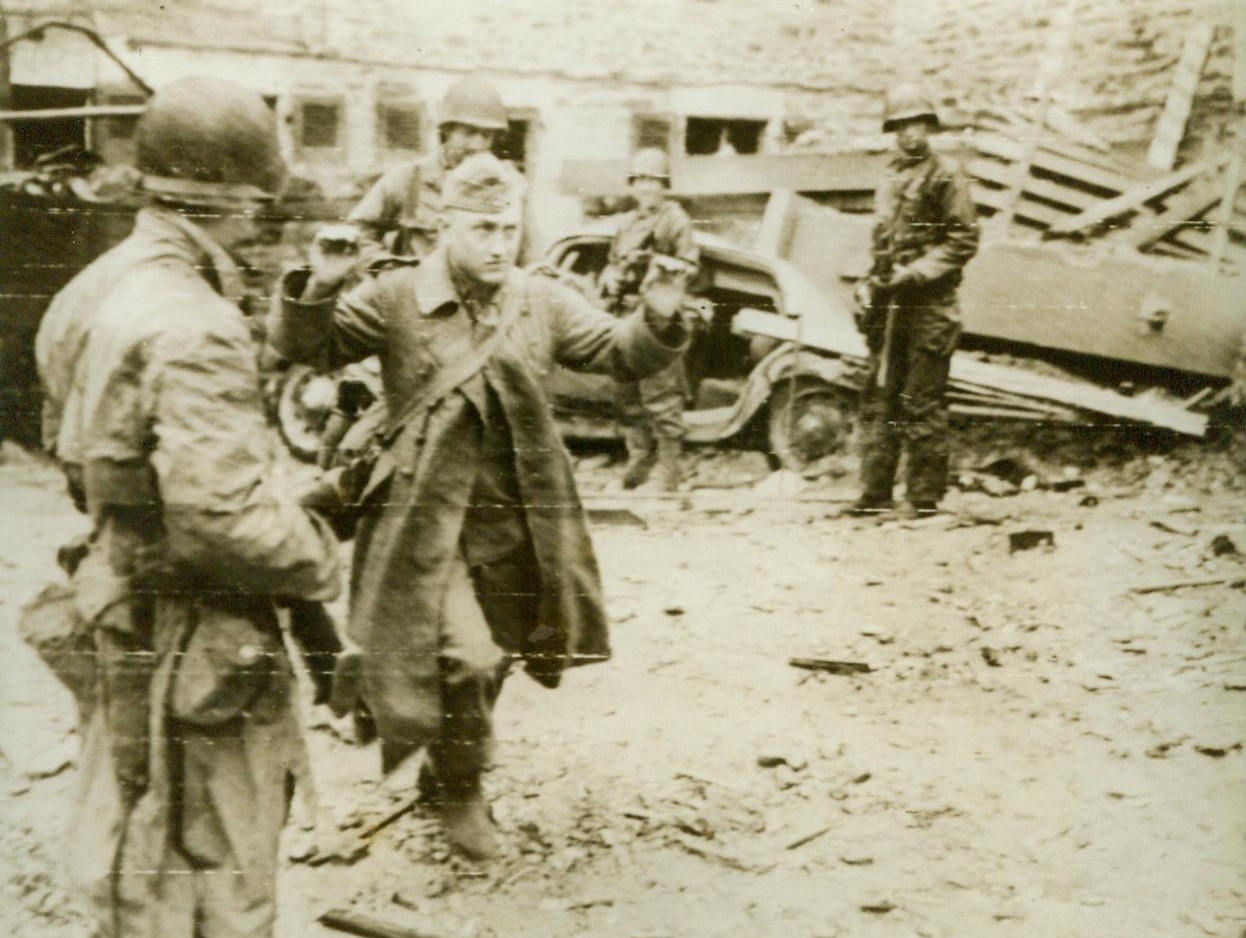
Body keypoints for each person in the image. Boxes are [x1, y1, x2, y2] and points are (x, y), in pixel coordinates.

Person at [269, 153, 691, 860]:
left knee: (497, 659)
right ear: (444, 226)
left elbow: (616, 351)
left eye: (508, 227)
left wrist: (660, 315)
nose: (499, 243)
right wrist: (322, 280)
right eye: (482, 229)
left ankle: (444, 768)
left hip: (514, 518)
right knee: (465, 656)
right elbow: (308, 345)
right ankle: (461, 789)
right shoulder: (398, 295)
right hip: (422, 519)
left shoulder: (542, 300)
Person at [33, 77, 343, 938]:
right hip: (198, 635)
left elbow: (73, 446)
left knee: (133, 839)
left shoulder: (92, 288)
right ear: (239, 201)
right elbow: (226, 522)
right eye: (259, 209)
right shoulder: (195, 320)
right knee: (217, 868)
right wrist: (318, 546)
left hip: (118, 601)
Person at [850, 83, 980, 518]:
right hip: (891, 304)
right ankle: (875, 493)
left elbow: (964, 239)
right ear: (893, 130)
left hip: (930, 305)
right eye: (901, 126)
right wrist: (869, 280)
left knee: (921, 400)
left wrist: (917, 272)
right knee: (881, 396)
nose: (910, 134)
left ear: (930, 127)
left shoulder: (946, 174)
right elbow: (883, 241)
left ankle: (923, 499)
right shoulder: (890, 175)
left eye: (918, 124)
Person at [599, 147, 700, 491]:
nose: (646, 188)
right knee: (626, 394)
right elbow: (613, 261)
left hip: (659, 317)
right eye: (640, 180)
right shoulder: (626, 223)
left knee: (661, 393)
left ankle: (669, 471)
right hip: (626, 315)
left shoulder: (675, 220)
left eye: (653, 181)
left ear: (664, 185)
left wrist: (657, 264)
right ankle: (639, 460)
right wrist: (612, 274)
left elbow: (689, 266)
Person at [348, 74, 508, 262]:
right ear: (447, 130)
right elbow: (358, 230)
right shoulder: (409, 178)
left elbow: (526, 254)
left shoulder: (507, 184)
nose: (477, 145)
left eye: (487, 136)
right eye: (469, 133)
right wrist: (389, 270)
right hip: (420, 287)